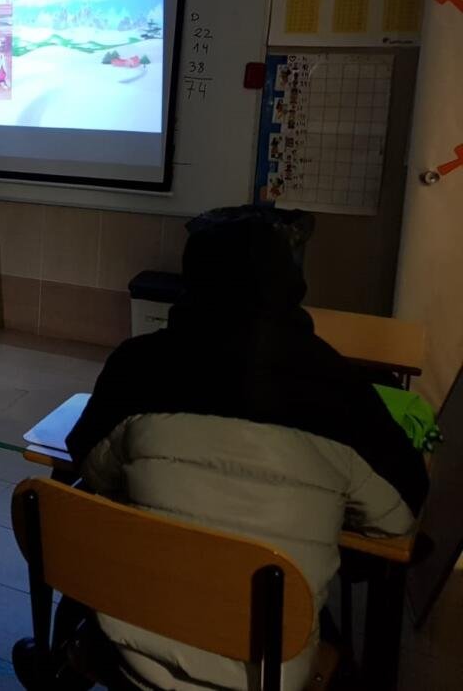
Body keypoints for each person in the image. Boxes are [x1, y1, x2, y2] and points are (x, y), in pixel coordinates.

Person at [62, 218, 429, 691]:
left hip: (132, 653)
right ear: (291, 286)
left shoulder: (139, 363)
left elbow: (89, 462)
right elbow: (398, 519)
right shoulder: (340, 386)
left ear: (190, 282)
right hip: (270, 672)